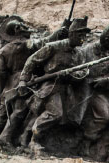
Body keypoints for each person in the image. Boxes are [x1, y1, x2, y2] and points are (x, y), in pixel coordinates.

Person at [11, 17, 90, 154]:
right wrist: (23, 80)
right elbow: (32, 60)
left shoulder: (80, 53)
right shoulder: (54, 47)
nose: (83, 38)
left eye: (84, 35)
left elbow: (82, 72)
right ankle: (34, 141)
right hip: (50, 86)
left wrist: (72, 76)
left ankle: (26, 137)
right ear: (72, 34)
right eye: (80, 34)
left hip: (66, 89)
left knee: (61, 117)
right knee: (55, 113)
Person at [75, 25, 109, 141]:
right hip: (82, 84)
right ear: (106, 39)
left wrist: (104, 80)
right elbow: (77, 65)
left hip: (99, 90)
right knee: (75, 111)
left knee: (105, 116)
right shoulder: (88, 49)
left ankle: (87, 138)